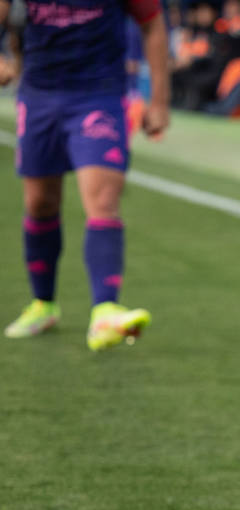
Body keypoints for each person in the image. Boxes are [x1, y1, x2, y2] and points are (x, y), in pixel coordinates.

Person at [0, 0, 169, 350]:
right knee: (40, 202)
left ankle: (104, 310)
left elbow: (152, 23)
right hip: (39, 95)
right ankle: (43, 304)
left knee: (104, 199)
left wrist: (160, 101)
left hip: (99, 95)